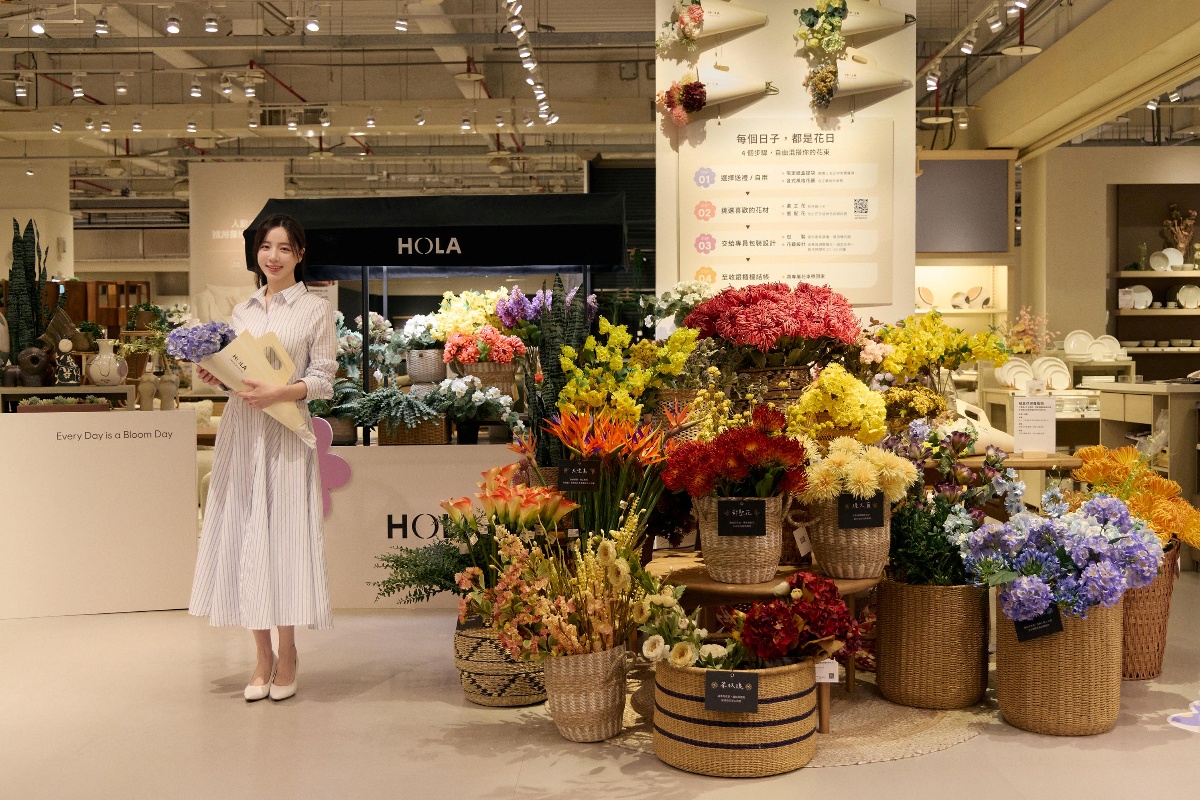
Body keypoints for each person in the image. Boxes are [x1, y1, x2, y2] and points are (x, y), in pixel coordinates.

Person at [189, 214, 337, 702]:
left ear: (299, 255)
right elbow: (237, 369)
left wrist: (282, 391)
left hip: (287, 434)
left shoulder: (316, 310)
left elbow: (323, 379)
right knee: (247, 535)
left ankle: (289, 651)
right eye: (266, 247)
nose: (273, 256)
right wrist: (218, 375)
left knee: (285, 538)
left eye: (284, 248)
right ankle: (261, 657)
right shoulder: (242, 310)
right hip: (243, 432)